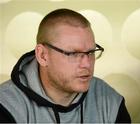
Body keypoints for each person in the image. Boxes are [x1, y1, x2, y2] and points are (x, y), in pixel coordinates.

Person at [0, 8, 131, 123]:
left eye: (91, 52)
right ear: (42, 56)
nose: (87, 64)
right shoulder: (6, 106)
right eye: (73, 53)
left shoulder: (110, 101)